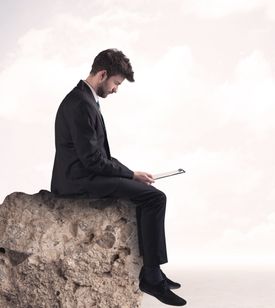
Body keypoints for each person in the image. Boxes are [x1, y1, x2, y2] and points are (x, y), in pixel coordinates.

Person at [50, 48, 186, 306]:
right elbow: (92, 159)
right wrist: (130, 175)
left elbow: (96, 155)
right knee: (155, 198)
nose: (116, 90)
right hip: (77, 180)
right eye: (115, 83)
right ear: (102, 75)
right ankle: (152, 277)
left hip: (85, 173)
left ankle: (153, 272)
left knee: (148, 196)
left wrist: (132, 174)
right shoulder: (80, 103)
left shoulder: (84, 99)